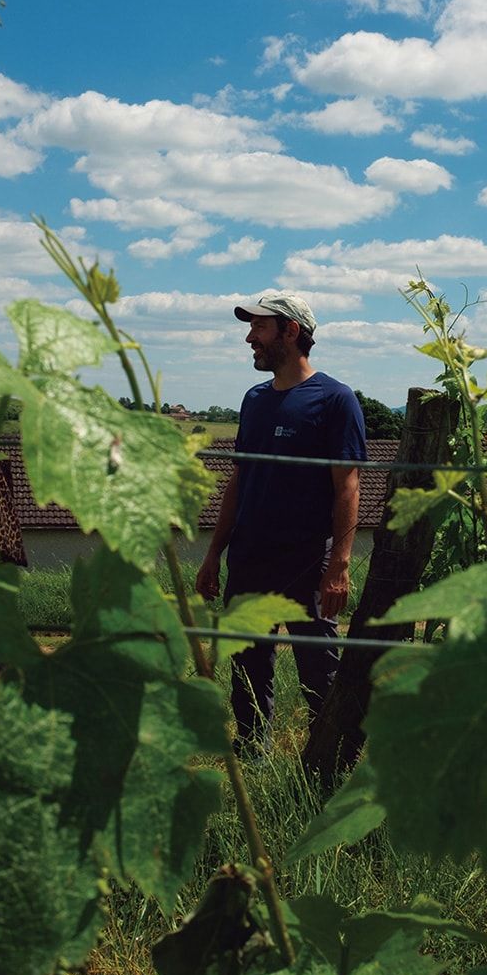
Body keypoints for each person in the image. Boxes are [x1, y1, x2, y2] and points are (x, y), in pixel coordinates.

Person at [195, 294, 367, 755]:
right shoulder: (253, 400)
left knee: (319, 666)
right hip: (249, 557)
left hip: (308, 560)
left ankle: (331, 758)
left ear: (291, 332)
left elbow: (348, 487)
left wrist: (340, 565)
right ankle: (252, 752)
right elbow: (239, 479)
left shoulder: (335, 399)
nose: (250, 338)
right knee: (248, 664)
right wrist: (214, 553)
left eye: (260, 328)